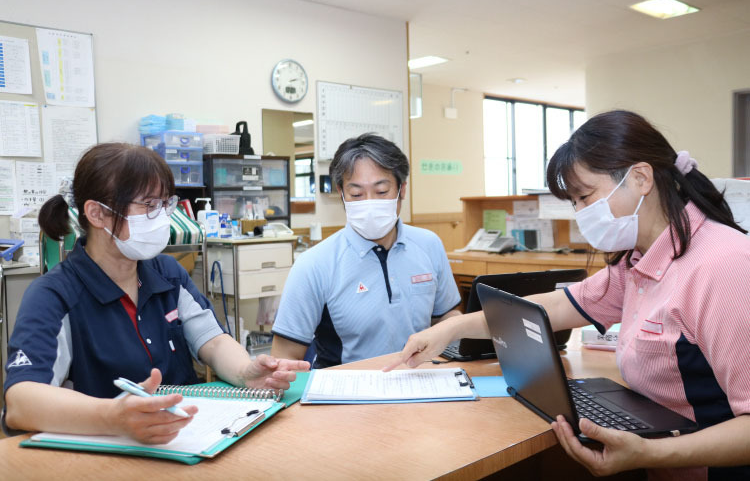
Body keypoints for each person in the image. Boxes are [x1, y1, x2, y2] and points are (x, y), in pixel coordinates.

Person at [386, 111, 750, 479]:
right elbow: (559, 306)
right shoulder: (638, 259)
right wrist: (452, 328)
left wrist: (649, 453)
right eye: (573, 202)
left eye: (585, 196)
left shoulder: (723, 265)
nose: (580, 213)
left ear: (640, 178)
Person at [3, 143, 309, 444]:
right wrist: (113, 417)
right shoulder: (53, 294)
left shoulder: (166, 273)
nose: (162, 217)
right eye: (149, 206)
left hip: (186, 439)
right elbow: (20, 402)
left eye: (165, 204)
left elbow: (213, 342)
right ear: (97, 214)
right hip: (104, 452)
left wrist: (246, 373)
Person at [271, 133, 461, 368]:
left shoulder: (429, 244)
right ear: (341, 194)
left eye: (381, 192)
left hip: (420, 384)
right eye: (357, 194)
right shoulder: (315, 264)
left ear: (402, 190)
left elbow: (447, 315)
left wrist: (455, 332)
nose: (370, 203)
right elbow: (284, 356)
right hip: (345, 397)